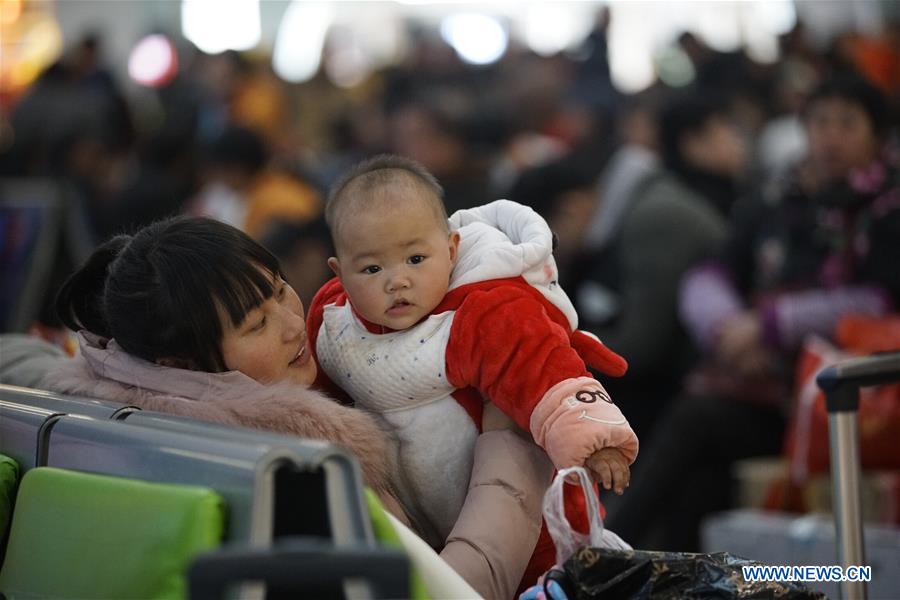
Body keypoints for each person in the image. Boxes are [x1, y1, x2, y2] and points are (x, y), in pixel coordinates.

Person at [3, 216, 552, 600]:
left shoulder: (115, 406)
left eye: (279, 289)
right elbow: (455, 592)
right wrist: (513, 438)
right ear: (184, 362)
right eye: (257, 324)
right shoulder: (296, 466)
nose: (294, 324)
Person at [308, 154, 639, 589]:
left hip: (526, 520)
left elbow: (545, 370)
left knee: (548, 576)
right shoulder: (333, 322)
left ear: (450, 249)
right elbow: (316, 397)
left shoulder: (478, 312)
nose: (396, 282)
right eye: (371, 268)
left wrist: (597, 441)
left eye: (415, 259)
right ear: (339, 273)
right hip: (421, 515)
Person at [607, 74, 900, 552]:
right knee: (699, 481)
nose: (831, 136)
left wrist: (770, 326)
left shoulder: (887, 208)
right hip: (761, 378)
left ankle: (606, 551)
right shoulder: (778, 196)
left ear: (877, 133)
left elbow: (878, 301)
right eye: (820, 122)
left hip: (841, 393)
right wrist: (728, 329)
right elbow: (709, 274)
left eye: (848, 124)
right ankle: (655, 574)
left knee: (695, 419)